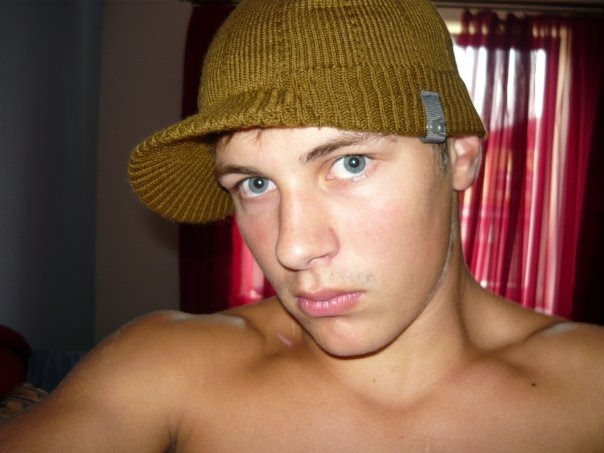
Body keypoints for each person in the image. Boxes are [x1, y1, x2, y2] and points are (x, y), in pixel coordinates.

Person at [2, 0, 604, 451]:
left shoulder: (590, 392)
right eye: (255, 184)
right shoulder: (164, 368)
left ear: (460, 157)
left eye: (350, 163)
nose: (292, 248)